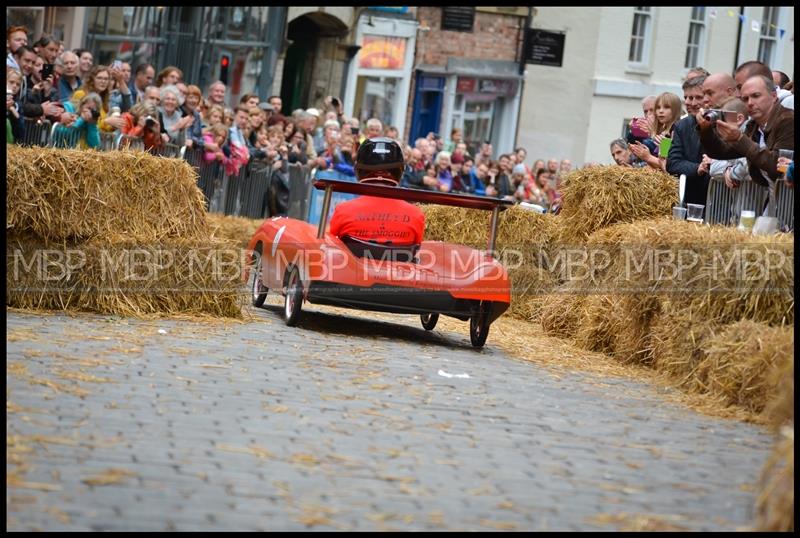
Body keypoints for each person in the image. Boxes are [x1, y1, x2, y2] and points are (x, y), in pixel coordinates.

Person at [697, 74, 794, 192]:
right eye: (745, 99)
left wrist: (739, 138)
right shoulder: (752, 125)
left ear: (774, 96)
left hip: (787, 198)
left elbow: (777, 166)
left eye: (756, 96)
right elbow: (721, 152)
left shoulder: (788, 120)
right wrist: (705, 129)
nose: (750, 103)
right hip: (774, 197)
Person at [329, 137, 425, 246]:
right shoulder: (416, 215)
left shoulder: (343, 211)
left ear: (358, 169)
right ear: (401, 170)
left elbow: (331, 245)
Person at [666, 75, 710, 206]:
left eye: (698, 97)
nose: (692, 102)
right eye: (687, 98)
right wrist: (697, 168)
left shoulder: (720, 122)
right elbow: (671, 162)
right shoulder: (680, 126)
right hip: (690, 195)